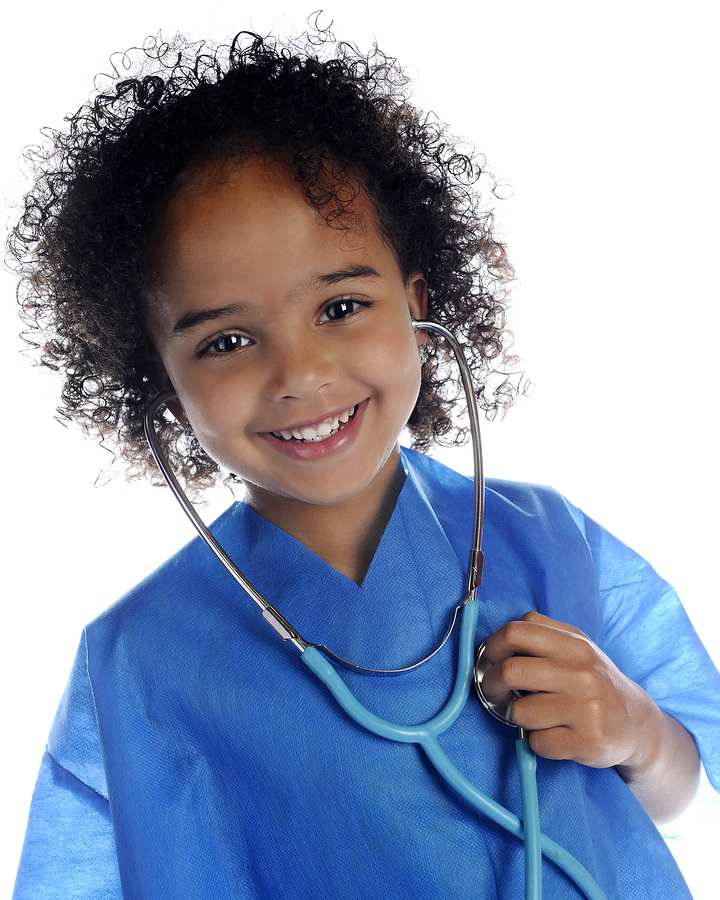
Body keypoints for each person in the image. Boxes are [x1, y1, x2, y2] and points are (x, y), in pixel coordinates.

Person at [8, 27, 719, 899]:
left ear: (417, 305)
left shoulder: (547, 542)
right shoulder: (140, 662)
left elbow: (682, 793)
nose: (301, 375)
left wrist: (638, 734)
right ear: (161, 377)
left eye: (341, 306)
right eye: (227, 340)